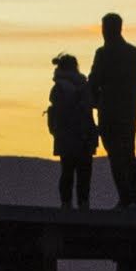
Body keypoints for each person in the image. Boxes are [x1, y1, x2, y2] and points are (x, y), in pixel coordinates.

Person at [90, 11, 136, 210]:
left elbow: (94, 81)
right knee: (129, 153)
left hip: (109, 111)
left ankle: (125, 198)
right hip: (129, 111)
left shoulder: (103, 54)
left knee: (115, 154)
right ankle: (134, 199)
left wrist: (95, 101)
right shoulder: (134, 53)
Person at [47, 54, 98, 210]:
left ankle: (66, 204)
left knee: (67, 172)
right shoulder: (84, 85)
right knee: (84, 174)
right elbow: (94, 104)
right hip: (85, 136)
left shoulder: (58, 87)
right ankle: (83, 204)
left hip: (66, 137)